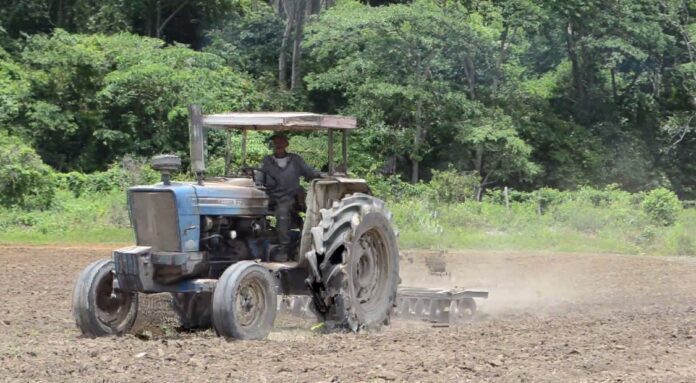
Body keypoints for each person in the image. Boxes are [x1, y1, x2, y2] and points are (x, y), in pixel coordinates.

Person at [260, 133, 321, 261]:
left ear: (286, 144)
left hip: (289, 196)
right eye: (276, 142)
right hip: (270, 195)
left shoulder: (295, 160)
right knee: (254, 209)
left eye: (281, 142)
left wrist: (318, 174)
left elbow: (309, 172)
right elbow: (260, 177)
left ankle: (283, 249)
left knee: (282, 212)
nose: (278, 145)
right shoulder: (267, 161)